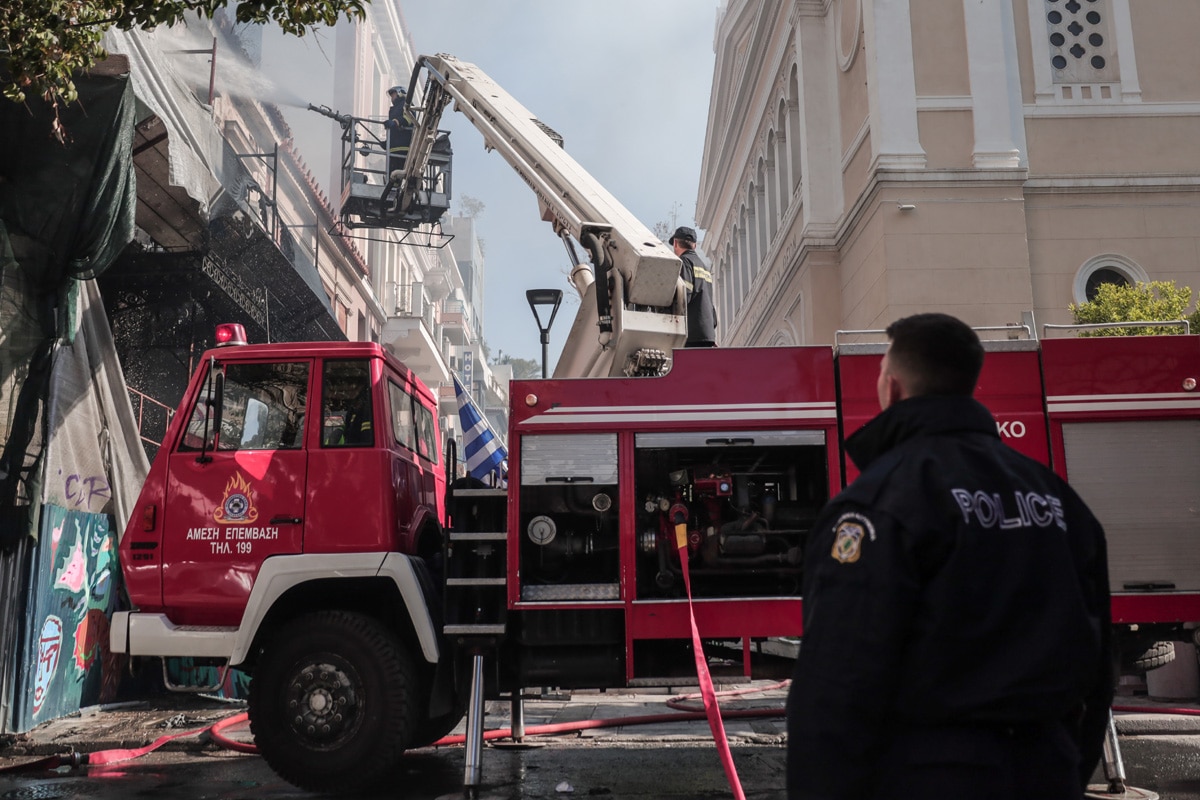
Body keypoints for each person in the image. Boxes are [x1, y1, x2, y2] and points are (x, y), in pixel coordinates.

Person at [786, 313, 1112, 800]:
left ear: (892, 389)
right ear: (969, 385)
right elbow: (1100, 666)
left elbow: (837, 686)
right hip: (1047, 769)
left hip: (929, 776)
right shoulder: (1057, 500)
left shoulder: (878, 506)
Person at [669, 226, 717, 347]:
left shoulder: (684, 262)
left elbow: (685, 295)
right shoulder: (704, 267)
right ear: (694, 245)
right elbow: (709, 302)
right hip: (707, 334)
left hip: (691, 335)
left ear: (675, 243)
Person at [385, 85, 414, 180]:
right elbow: (393, 130)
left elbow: (409, 119)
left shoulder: (408, 105)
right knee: (392, 176)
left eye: (393, 95)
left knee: (401, 174)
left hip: (403, 148)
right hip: (393, 149)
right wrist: (386, 142)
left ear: (400, 93)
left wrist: (395, 122)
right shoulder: (393, 109)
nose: (392, 98)